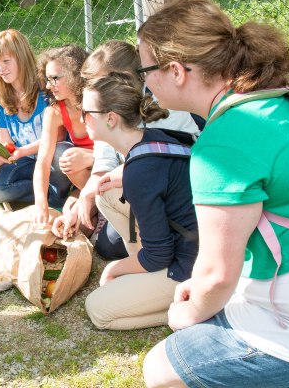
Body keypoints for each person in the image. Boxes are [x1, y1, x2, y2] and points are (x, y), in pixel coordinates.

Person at [137, 0, 289, 387]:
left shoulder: (223, 145)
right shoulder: (281, 95)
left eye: (145, 69)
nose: (144, 81)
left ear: (175, 71)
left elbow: (216, 276)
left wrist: (186, 318)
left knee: (162, 370)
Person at [72, 71, 198, 330]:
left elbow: (159, 255)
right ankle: (146, 281)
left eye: (86, 113)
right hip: (193, 242)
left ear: (110, 119)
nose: (80, 118)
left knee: (98, 310)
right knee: (106, 193)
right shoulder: (148, 142)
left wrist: (114, 269)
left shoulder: (140, 170)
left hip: (191, 262)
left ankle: (197, 308)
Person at [53, 40, 199, 251]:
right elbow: (105, 160)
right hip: (141, 180)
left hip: (179, 187)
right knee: (108, 245)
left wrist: (108, 180)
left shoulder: (162, 107)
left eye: (100, 85)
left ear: (125, 80)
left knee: (114, 246)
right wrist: (82, 199)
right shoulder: (102, 109)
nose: (95, 92)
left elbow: (163, 162)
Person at [0, 29, 71, 208]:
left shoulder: (45, 89)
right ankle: (51, 197)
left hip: (53, 158)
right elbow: (6, 145)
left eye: (6, 61)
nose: (0, 69)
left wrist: (21, 151)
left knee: (61, 152)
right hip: (25, 163)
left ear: (22, 57)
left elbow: (58, 137)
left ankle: (57, 194)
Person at [32, 45, 93, 224]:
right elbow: (42, 160)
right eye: (47, 79)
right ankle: (88, 201)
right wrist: (40, 203)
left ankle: (98, 204)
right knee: (71, 217)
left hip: (113, 169)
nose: (49, 86)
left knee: (77, 219)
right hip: (86, 177)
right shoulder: (55, 112)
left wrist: (92, 157)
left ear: (76, 75)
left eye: (55, 79)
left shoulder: (100, 101)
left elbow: (123, 152)